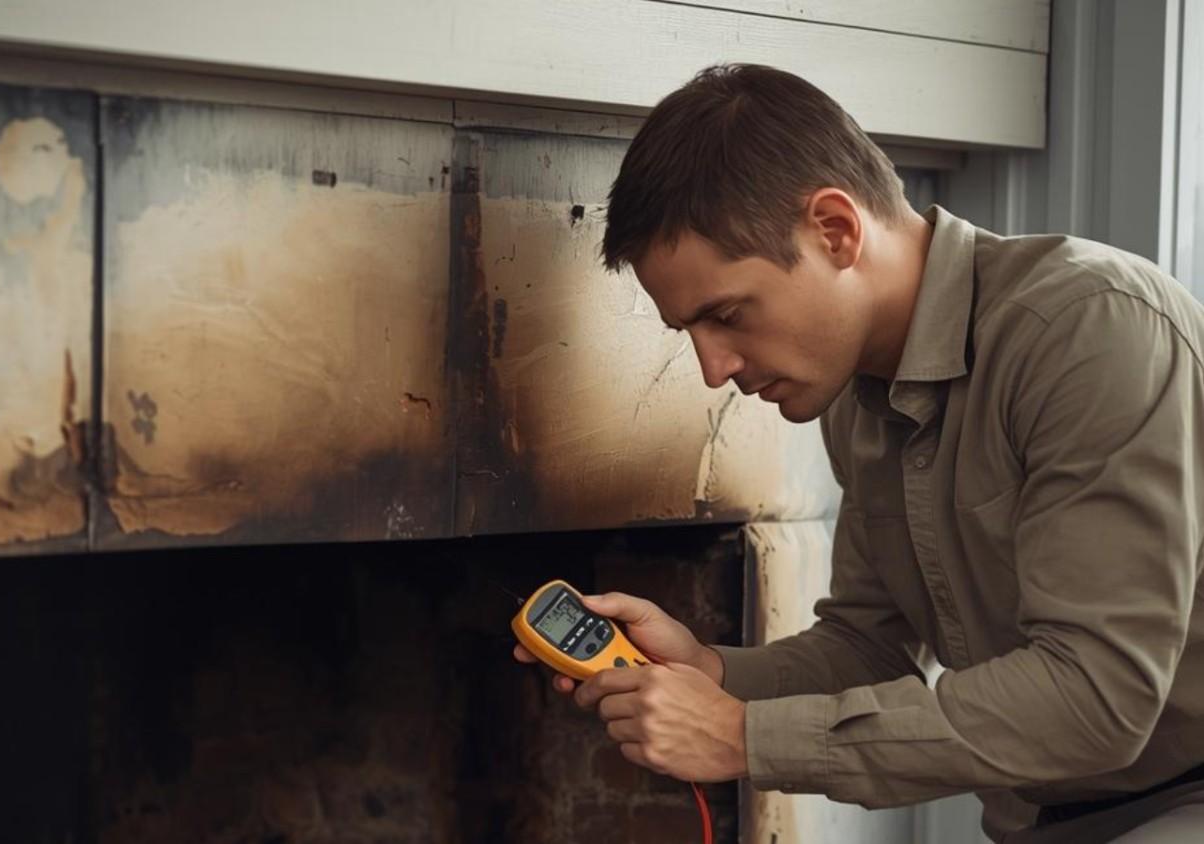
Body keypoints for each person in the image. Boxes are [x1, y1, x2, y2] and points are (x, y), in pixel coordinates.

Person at [513, 64, 1204, 843]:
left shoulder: (1090, 332)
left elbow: (1097, 698)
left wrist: (742, 739)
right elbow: (871, 648)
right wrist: (712, 672)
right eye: (692, 335)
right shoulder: (856, 396)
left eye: (730, 315)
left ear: (835, 231)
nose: (714, 371)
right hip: (1039, 819)